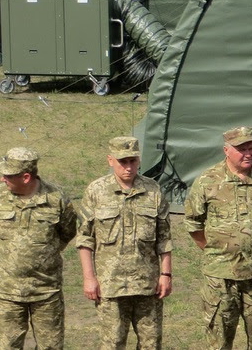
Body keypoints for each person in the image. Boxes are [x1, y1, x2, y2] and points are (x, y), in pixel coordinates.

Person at [184, 126, 252, 349]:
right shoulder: (207, 181)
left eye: (251, 147)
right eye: (241, 149)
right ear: (226, 150)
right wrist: (217, 249)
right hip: (220, 278)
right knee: (220, 342)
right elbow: (193, 223)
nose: (248, 153)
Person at [76, 136, 173, 349]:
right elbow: (84, 239)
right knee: (113, 343)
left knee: (151, 343)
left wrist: (165, 274)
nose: (128, 167)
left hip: (147, 286)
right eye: (123, 161)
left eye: (133, 161)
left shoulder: (153, 191)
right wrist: (89, 278)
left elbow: (164, 238)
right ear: (110, 160)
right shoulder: (96, 191)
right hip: (110, 285)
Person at [0, 147, 77, 350]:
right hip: (7, 293)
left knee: (51, 347)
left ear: (25, 177)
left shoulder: (56, 198)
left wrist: (44, 253)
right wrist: (9, 255)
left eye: (7, 175)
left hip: (46, 292)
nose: (1, 179)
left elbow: (68, 230)